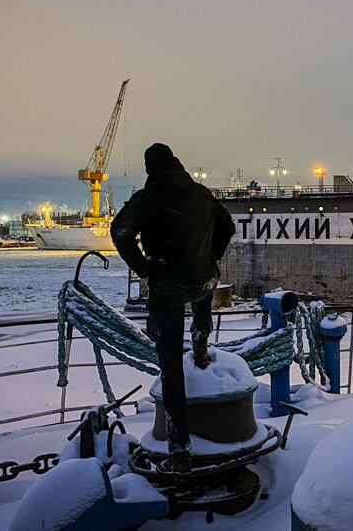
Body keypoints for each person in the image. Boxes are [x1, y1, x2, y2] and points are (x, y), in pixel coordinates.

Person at [111, 143, 236, 474]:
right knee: (201, 293)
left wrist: (143, 268)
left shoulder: (147, 199)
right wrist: (210, 256)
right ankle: (201, 339)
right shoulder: (201, 194)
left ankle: (179, 449)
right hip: (204, 279)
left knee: (170, 367)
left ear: (150, 168)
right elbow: (227, 226)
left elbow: (121, 232)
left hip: (167, 286)